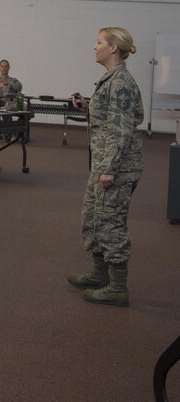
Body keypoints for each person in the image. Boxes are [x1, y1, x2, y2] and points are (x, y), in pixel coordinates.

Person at [67, 27, 143, 307]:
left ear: (113, 48)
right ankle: (100, 274)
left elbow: (121, 129)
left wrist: (109, 168)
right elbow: (112, 118)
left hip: (116, 166)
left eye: (99, 42)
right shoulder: (110, 79)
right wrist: (88, 107)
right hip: (104, 162)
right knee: (93, 218)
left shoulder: (121, 81)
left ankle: (118, 288)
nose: (94, 47)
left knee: (111, 223)